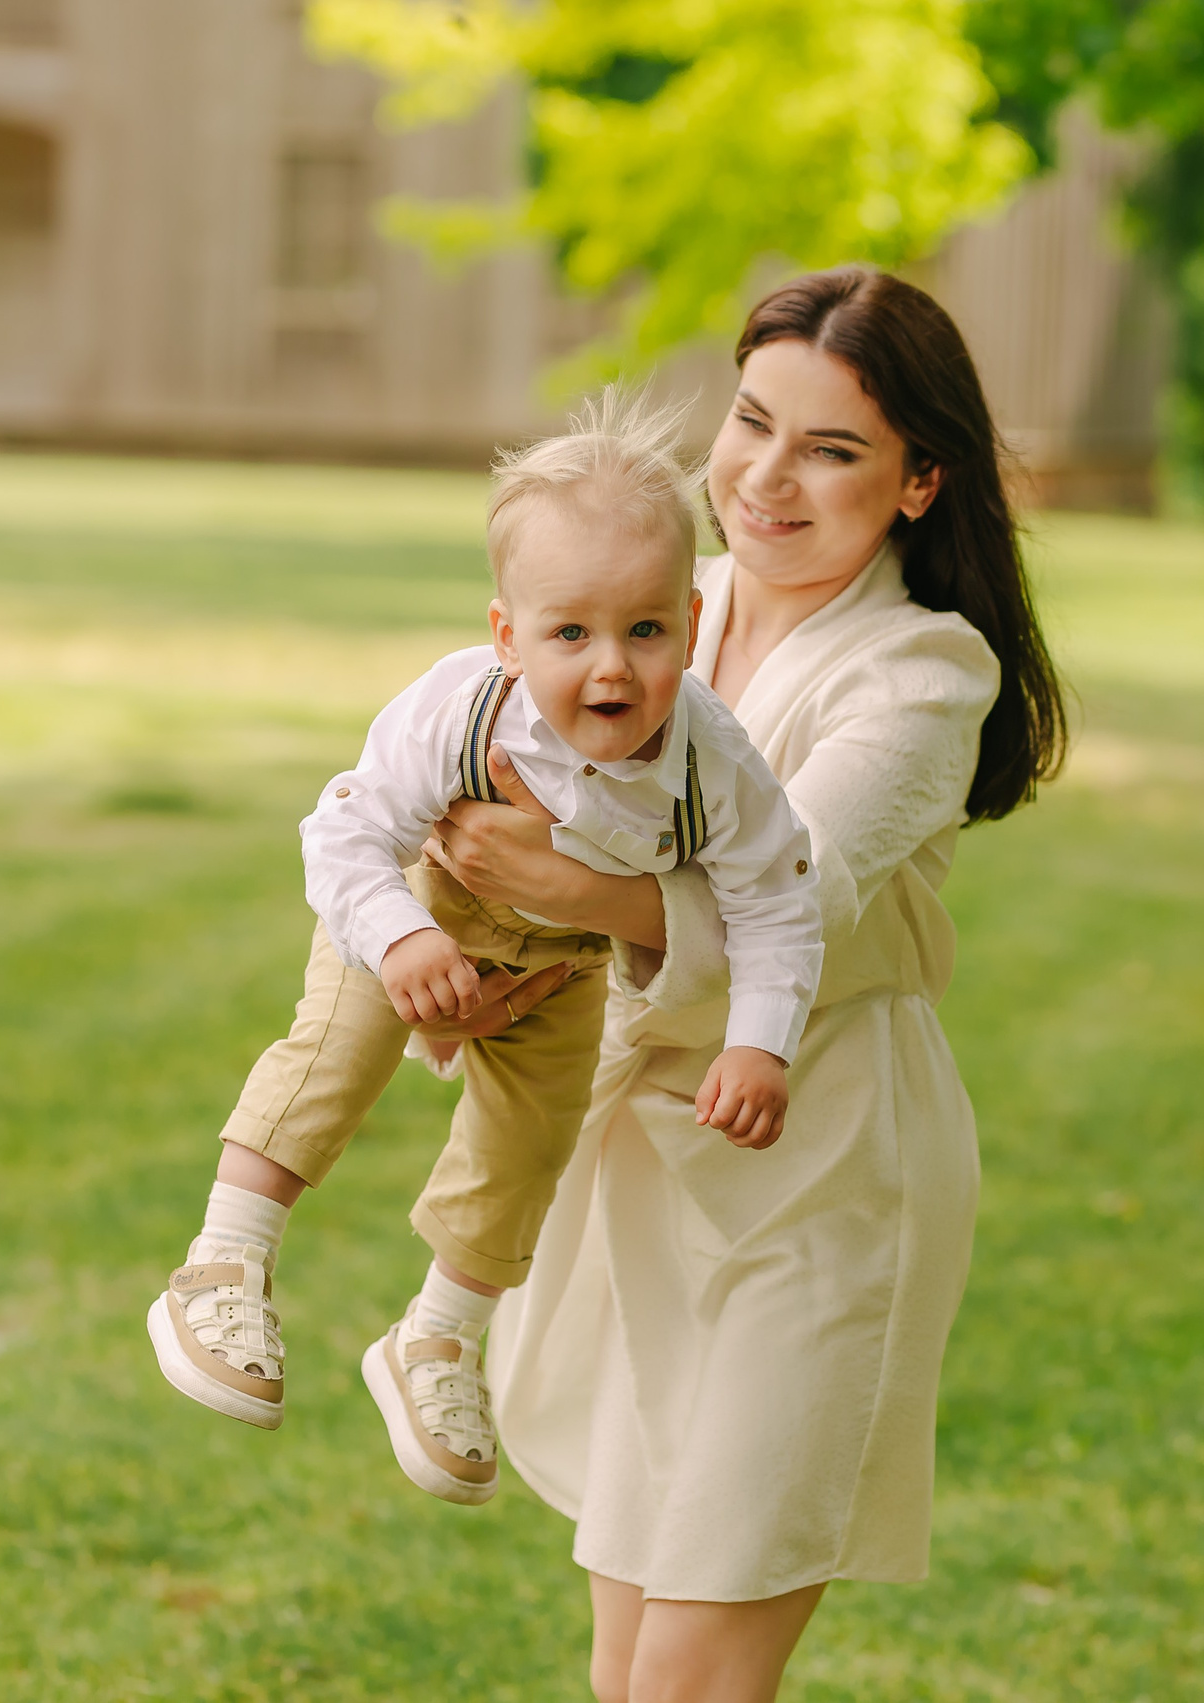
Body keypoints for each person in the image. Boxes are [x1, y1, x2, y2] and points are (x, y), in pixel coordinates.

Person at [420, 267, 1067, 1702]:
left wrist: (557, 886)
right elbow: (480, 786)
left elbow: (792, 897)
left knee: (692, 1683)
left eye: (832, 450)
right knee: (623, 1667)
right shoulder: (662, 607)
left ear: (918, 482)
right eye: (753, 422)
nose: (768, 478)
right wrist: (469, 955)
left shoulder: (919, 669)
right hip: (648, 1166)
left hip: (818, 1172)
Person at [145, 392, 822, 1509]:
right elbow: (347, 828)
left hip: (570, 960)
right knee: (340, 1045)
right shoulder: (460, 711)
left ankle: (438, 1337)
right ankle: (223, 1256)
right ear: (507, 634)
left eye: (645, 630)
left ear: (690, 627)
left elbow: (776, 901)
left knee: (532, 1134)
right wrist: (402, 937)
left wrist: (759, 1042)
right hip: (422, 903)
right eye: (570, 633)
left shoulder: (718, 766)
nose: (611, 669)